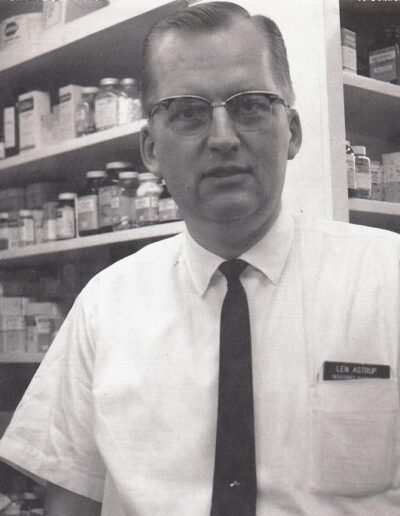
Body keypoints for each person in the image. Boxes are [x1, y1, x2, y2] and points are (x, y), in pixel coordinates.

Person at [0, 2, 400, 515]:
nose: (223, 138)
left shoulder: (387, 280)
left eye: (250, 105)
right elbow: (70, 500)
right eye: (187, 113)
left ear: (292, 131)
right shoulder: (105, 307)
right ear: (150, 148)